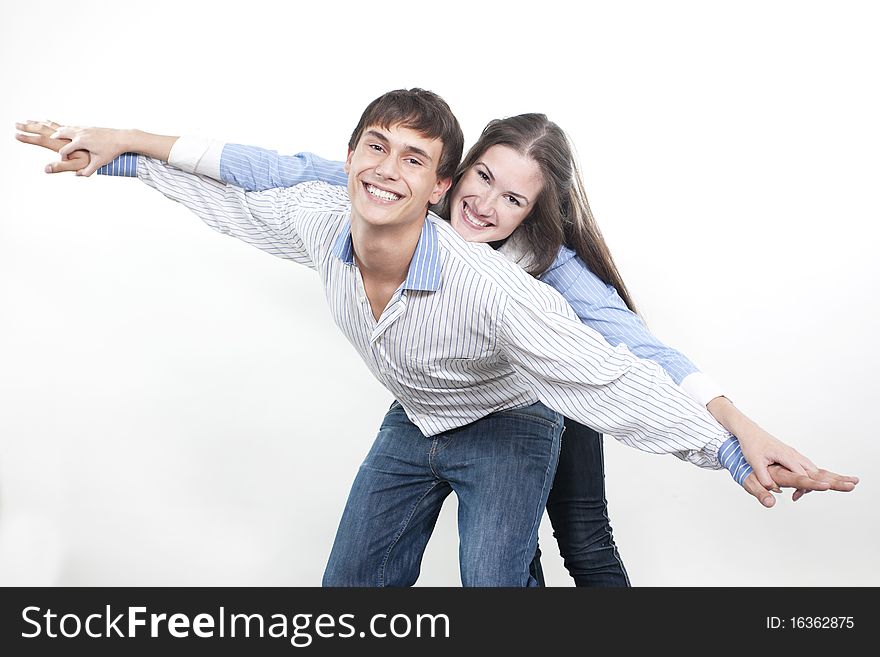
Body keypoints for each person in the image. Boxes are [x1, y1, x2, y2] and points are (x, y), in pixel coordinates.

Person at [14, 91, 856, 587]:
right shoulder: (364, 194)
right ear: (456, 175)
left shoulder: (540, 276)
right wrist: (123, 147)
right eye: (482, 178)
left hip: (539, 400)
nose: (485, 206)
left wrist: (737, 437)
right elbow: (260, 176)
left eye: (512, 200)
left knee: (576, 539)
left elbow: (621, 363)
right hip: (427, 408)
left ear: (531, 213)